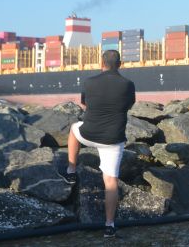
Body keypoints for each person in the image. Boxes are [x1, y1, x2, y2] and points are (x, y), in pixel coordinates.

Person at [62, 50, 135, 238]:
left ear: (101, 63)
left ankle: (71, 170)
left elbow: (85, 104)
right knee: (110, 182)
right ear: (120, 64)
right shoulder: (128, 85)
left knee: (73, 129)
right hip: (113, 140)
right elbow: (128, 105)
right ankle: (109, 226)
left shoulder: (89, 82)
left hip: (88, 133)